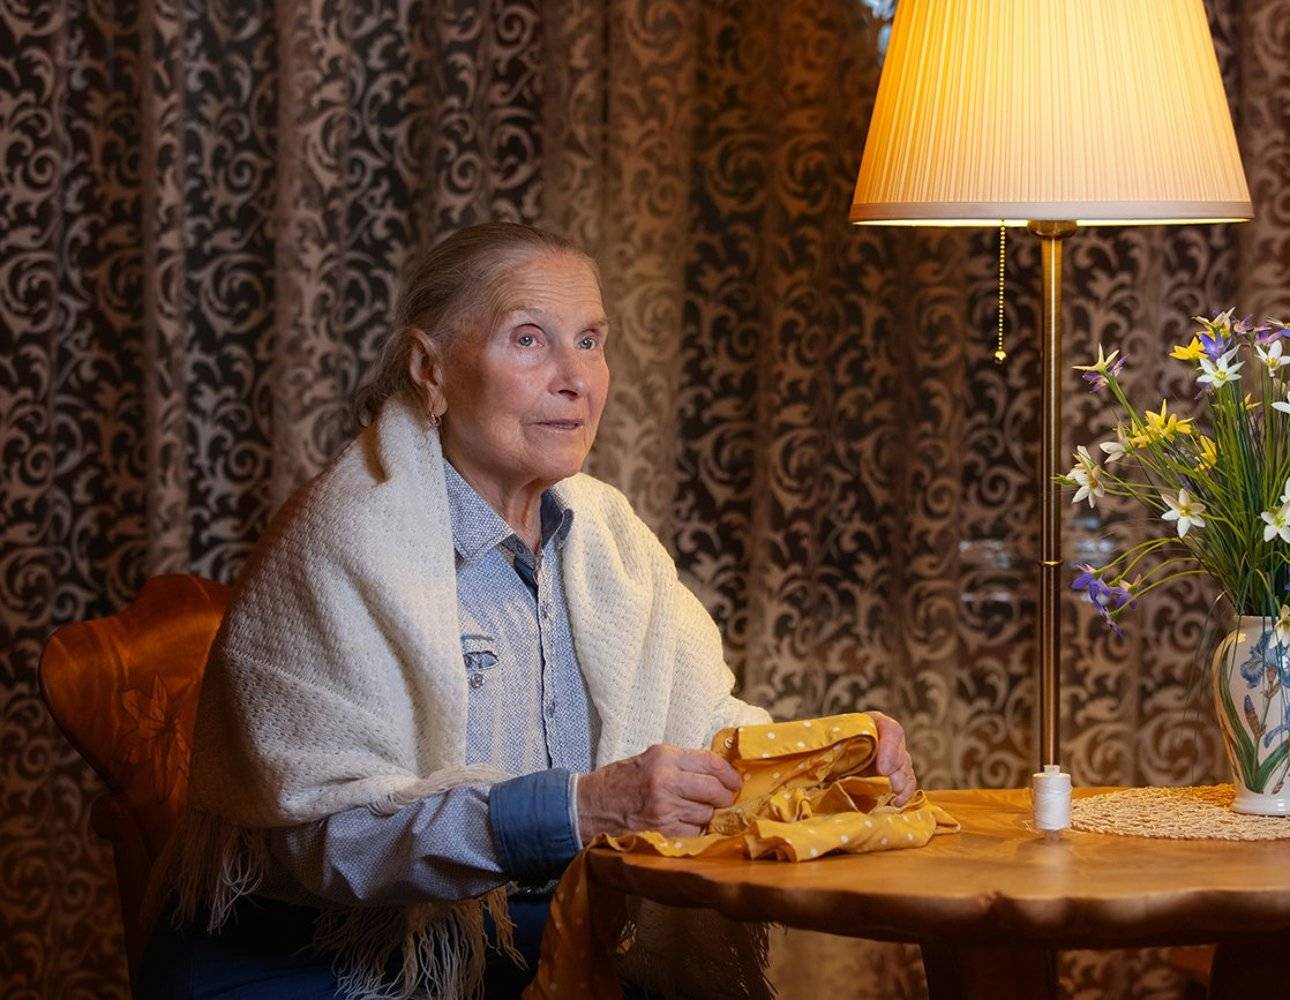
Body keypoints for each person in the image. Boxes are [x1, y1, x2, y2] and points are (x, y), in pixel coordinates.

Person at [139, 222, 916, 999]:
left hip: (529, 942)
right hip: (321, 957)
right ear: (430, 369)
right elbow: (324, 836)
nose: (575, 379)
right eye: (529, 339)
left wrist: (825, 758)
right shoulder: (343, 540)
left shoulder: (611, 536)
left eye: (589, 340)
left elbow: (700, 729)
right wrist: (575, 811)